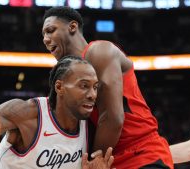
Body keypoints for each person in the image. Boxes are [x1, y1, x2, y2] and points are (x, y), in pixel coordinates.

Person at [0, 56, 114, 169]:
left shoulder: (91, 125)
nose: (92, 95)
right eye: (84, 86)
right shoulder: (25, 113)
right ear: (59, 87)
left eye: (95, 87)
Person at [42, 7, 173, 169]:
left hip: (141, 153)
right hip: (110, 160)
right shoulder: (65, 75)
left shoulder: (99, 51)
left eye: (50, 31)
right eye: (44, 35)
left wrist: (91, 162)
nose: (46, 39)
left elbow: (112, 118)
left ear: (72, 27)